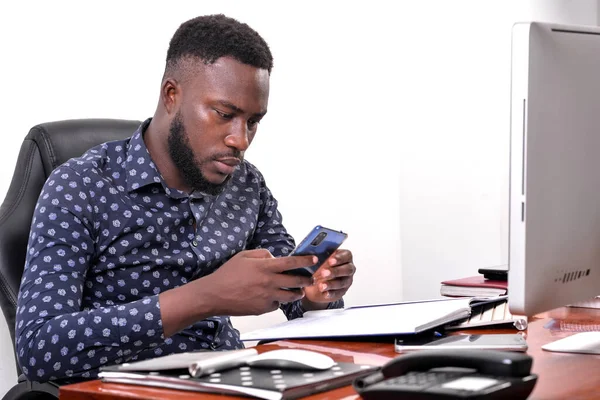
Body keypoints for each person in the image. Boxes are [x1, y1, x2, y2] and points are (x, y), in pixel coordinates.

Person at [15, 14, 356, 383]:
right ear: (171, 95)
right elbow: (39, 347)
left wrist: (316, 293)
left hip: (233, 382)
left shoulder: (246, 184)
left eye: (253, 122)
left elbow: (296, 299)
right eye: (225, 115)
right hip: (125, 389)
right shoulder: (80, 186)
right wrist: (206, 296)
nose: (240, 139)